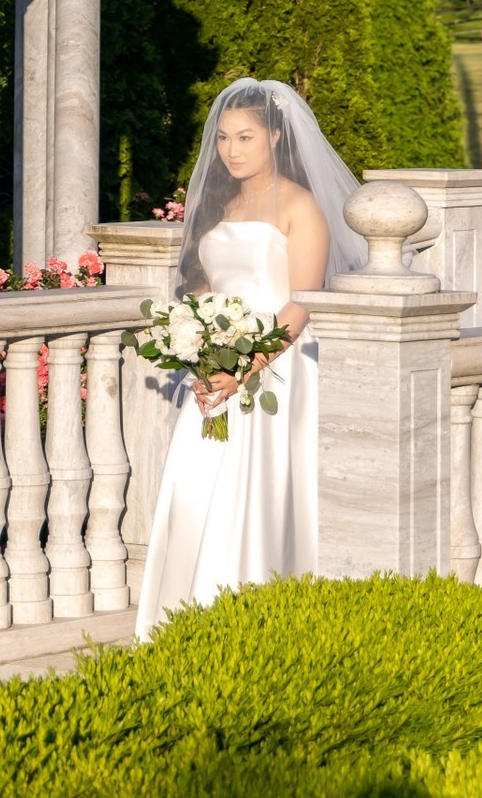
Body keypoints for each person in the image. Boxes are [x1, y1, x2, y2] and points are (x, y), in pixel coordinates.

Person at [134, 78, 365, 638]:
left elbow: (301, 304)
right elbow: (205, 293)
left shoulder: (300, 205)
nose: (232, 150)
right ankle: (188, 620)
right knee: (196, 482)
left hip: (277, 370)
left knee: (259, 489)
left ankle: (262, 620)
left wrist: (240, 369)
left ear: (276, 136)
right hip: (215, 373)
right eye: (223, 139)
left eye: (245, 137)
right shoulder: (222, 204)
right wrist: (196, 352)